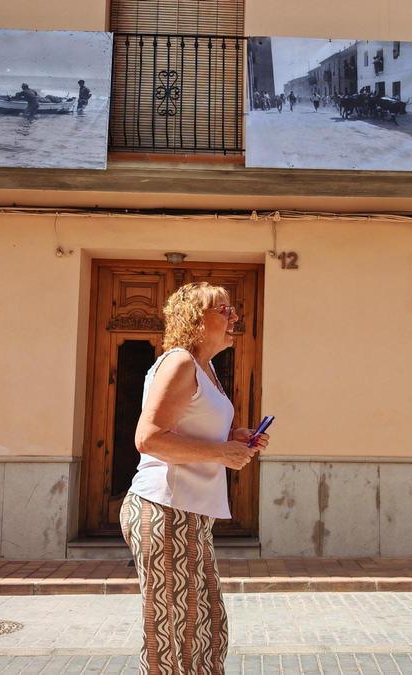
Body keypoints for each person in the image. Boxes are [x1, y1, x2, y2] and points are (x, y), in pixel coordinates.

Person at [123, 281, 269, 675]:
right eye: (223, 309)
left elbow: (189, 429)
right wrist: (222, 453)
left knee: (207, 626)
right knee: (176, 633)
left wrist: (235, 437)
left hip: (190, 514)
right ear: (195, 319)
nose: (234, 316)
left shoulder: (206, 369)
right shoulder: (180, 363)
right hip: (164, 509)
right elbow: (149, 438)